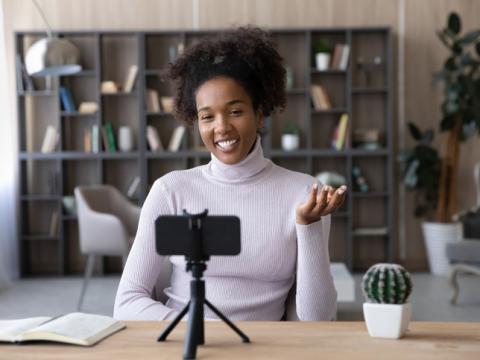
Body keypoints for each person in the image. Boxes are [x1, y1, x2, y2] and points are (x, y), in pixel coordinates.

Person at [114, 27, 347, 321]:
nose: (221, 127)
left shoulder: (304, 195)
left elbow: (318, 320)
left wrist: (309, 225)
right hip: (185, 344)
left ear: (259, 114)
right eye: (207, 117)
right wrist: (201, 331)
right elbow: (126, 303)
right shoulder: (170, 191)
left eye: (235, 112)